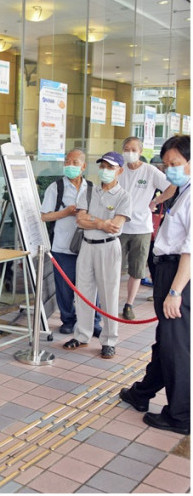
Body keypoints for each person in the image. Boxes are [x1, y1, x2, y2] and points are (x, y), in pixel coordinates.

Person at [120, 135, 190, 435]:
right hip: (167, 270)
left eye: (176, 164)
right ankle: (141, 393)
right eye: (167, 163)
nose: (170, 169)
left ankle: (180, 415)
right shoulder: (183, 190)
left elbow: (190, 250)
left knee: (176, 346)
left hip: (178, 274)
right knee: (166, 340)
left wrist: (175, 292)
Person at [62, 151, 131, 359]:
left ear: (119, 170)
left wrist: (92, 219)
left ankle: (109, 340)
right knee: (83, 291)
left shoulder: (123, 196)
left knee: (108, 294)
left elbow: (116, 227)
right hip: (87, 245)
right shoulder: (89, 192)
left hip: (108, 248)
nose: (105, 171)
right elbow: (80, 220)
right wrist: (101, 222)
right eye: (102, 166)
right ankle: (82, 335)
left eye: (110, 167)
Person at [41, 148, 102, 337]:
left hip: (88, 246)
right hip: (62, 246)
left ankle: (95, 321)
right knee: (64, 288)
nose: (70, 166)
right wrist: (66, 212)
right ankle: (68, 320)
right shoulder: (56, 187)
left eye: (75, 163)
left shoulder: (92, 188)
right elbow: (44, 216)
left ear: (83, 166)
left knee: (91, 286)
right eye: (67, 162)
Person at [117, 137, 176, 320]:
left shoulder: (150, 171)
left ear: (140, 151)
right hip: (118, 226)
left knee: (136, 268)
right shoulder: (118, 169)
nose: (130, 152)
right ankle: (107, 302)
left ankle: (129, 304)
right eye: (126, 149)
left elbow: (171, 187)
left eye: (133, 149)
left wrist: (156, 201)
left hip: (141, 228)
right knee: (113, 266)